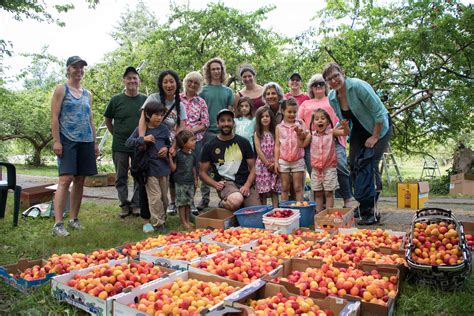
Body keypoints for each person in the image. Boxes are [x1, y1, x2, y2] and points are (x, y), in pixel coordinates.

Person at [322, 62, 392, 225]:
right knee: (354, 164)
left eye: (335, 76)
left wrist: (374, 137)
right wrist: (342, 128)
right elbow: (346, 121)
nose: (333, 81)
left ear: (342, 73)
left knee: (370, 164)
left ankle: (372, 212)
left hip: (379, 128)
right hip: (360, 131)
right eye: (329, 79)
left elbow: (380, 113)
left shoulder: (358, 87)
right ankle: (363, 204)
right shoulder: (332, 97)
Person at [50, 56, 98, 237]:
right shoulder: (61, 89)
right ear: (68, 69)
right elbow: (54, 117)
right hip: (67, 139)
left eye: (81, 67)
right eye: (75, 67)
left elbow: (90, 119)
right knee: (65, 179)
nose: (79, 70)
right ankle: (58, 224)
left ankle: (74, 219)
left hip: (86, 141)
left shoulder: (87, 94)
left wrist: (94, 143)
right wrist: (57, 140)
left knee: (80, 180)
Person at [298, 74, 353, 207]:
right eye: (315, 84)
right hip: (313, 142)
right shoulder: (306, 103)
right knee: (316, 173)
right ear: (311, 88)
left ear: (326, 86)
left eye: (321, 84)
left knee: (341, 168)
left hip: (332, 139)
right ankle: (320, 207)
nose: (318, 87)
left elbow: (343, 115)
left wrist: (342, 126)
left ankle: (347, 199)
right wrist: (306, 131)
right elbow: (299, 120)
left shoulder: (332, 99)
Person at [139, 70, 187, 215]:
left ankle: (167, 210)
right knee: (148, 179)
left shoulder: (180, 104)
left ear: (177, 83)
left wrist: (173, 146)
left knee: (166, 179)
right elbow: (142, 119)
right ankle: (148, 216)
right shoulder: (153, 98)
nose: (168, 84)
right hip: (150, 144)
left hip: (168, 145)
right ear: (161, 84)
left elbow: (181, 128)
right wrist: (142, 139)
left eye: (171, 81)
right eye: (165, 81)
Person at [104, 66, 147, 218]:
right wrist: (115, 134)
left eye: (134, 78)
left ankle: (136, 205)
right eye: (128, 78)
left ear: (139, 81)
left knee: (138, 175)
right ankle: (124, 204)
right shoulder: (116, 100)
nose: (132, 80)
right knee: (121, 176)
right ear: (124, 81)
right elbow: (108, 119)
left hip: (139, 145)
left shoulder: (144, 100)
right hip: (120, 145)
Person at [199, 109, 261, 211]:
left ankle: (236, 205)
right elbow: (202, 173)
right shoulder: (209, 146)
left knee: (256, 212)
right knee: (236, 199)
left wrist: (247, 185)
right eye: (222, 121)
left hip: (244, 182)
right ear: (217, 124)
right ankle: (223, 204)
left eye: (229, 120)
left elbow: (253, 167)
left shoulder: (243, 142)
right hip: (226, 183)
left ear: (233, 123)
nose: (226, 123)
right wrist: (215, 184)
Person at [126, 101, 170, 233]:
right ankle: (158, 223)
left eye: (161, 114)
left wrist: (166, 149)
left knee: (164, 198)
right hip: (149, 169)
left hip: (163, 168)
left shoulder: (164, 129)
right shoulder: (141, 129)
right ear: (148, 115)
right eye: (156, 114)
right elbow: (128, 143)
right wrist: (143, 139)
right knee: (154, 197)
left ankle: (162, 217)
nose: (159, 117)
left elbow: (168, 143)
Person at [197, 57, 234, 211]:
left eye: (219, 68)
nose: (216, 71)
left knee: (223, 167)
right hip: (206, 133)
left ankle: (226, 195)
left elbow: (231, 112)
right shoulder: (203, 90)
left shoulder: (228, 91)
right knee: (205, 166)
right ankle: (204, 199)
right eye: (213, 69)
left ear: (222, 70)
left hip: (223, 134)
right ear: (208, 71)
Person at [298, 108, 350, 213]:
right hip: (316, 170)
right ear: (313, 123)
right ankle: (319, 214)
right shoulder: (311, 135)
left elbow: (345, 133)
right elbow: (302, 145)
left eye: (323, 118)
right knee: (317, 193)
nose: (320, 121)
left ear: (328, 121)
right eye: (317, 119)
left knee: (329, 192)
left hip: (329, 168)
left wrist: (345, 126)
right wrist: (299, 135)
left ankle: (328, 214)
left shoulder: (331, 132)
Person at [180, 71, 209, 214]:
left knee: (193, 172)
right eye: (190, 81)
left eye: (196, 83)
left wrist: (190, 133)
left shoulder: (201, 102)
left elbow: (205, 123)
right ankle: (178, 203)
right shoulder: (177, 99)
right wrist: (182, 135)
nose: (192, 84)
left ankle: (191, 203)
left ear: (199, 86)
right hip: (178, 141)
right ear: (185, 82)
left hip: (195, 141)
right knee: (180, 172)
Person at [275, 97, 306, 202]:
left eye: (294, 112)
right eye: (289, 112)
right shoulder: (279, 127)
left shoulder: (300, 123)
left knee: (298, 187)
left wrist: (300, 132)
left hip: (297, 160)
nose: (292, 114)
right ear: (283, 111)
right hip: (283, 161)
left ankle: (300, 209)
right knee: (284, 187)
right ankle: (284, 210)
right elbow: (277, 146)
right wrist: (276, 162)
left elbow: (304, 139)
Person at [169, 129, 197, 230]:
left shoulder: (193, 154)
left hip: (190, 182)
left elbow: (193, 168)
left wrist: (195, 179)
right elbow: (173, 169)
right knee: (182, 203)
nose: (195, 142)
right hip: (180, 182)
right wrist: (170, 159)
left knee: (188, 202)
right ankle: (183, 222)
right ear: (184, 143)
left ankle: (187, 219)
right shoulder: (178, 154)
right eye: (192, 140)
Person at [254, 106, 280, 208]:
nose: (265, 118)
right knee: (263, 191)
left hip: (274, 163)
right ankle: (264, 210)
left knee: (274, 189)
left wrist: (274, 163)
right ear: (258, 119)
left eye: (267, 116)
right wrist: (267, 163)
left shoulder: (274, 132)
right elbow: (258, 150)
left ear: (271, 118)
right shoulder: (257, 134)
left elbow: (277, 146)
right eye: (262, 117)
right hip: (262, 165)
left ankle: (275, 209)